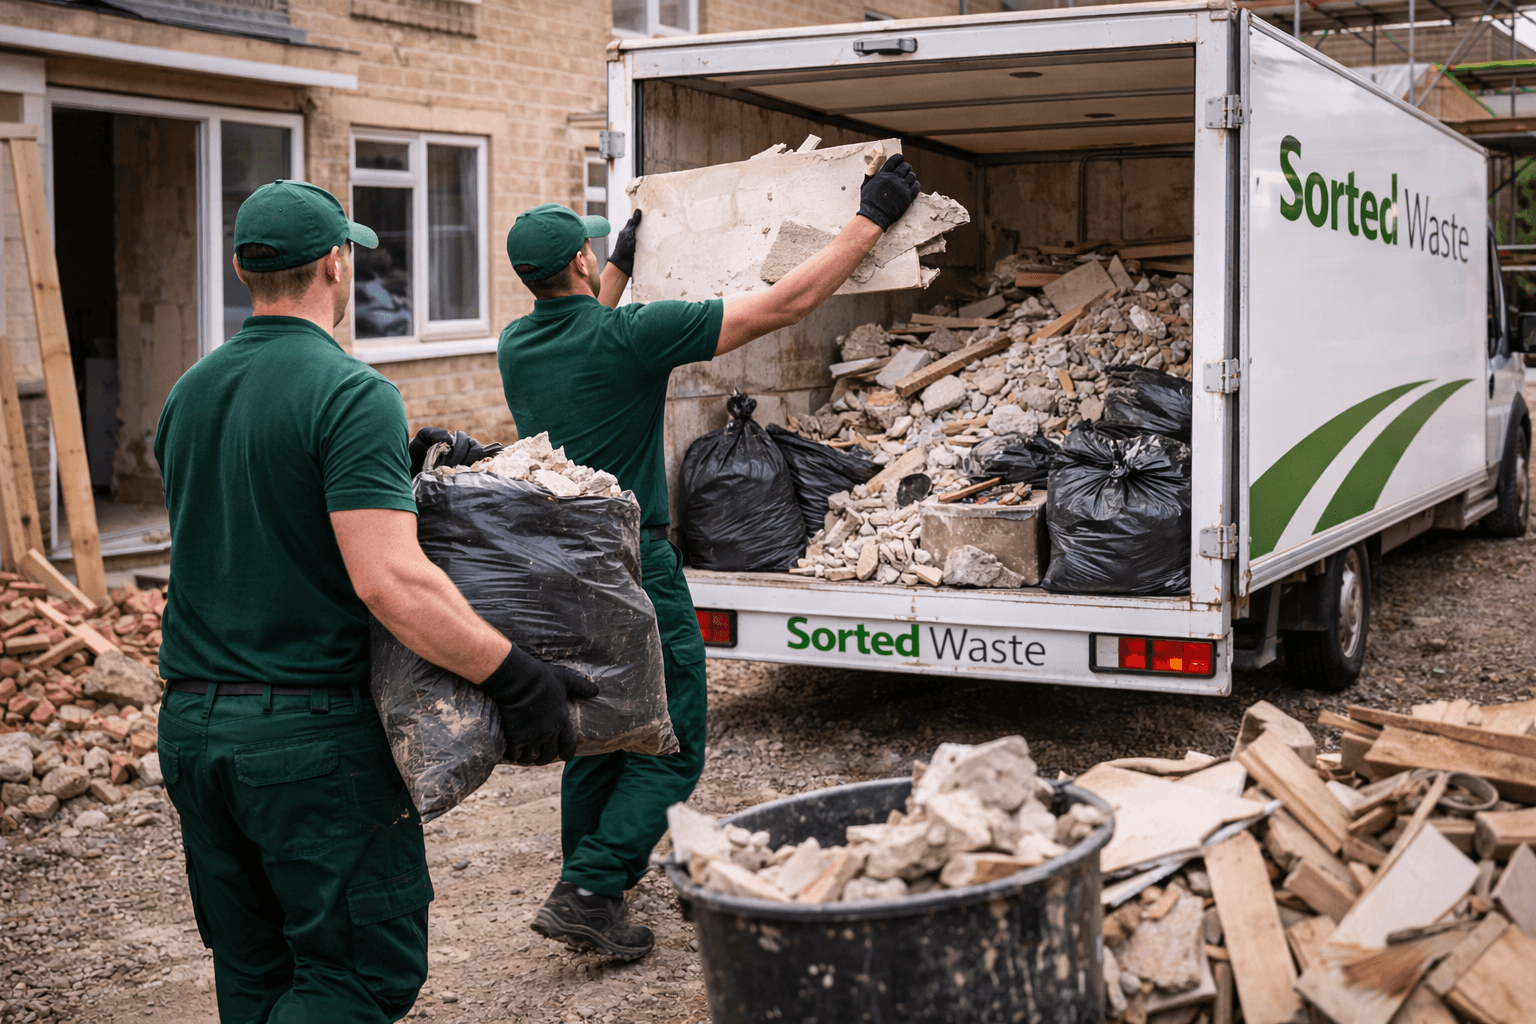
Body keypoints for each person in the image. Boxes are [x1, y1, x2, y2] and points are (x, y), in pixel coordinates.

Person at [154, 179, 597, 1023]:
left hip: (194, 731)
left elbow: (264, 516)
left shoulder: (190, 392)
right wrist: (514, 674)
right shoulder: (351, 392)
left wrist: (397, 466)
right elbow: (387, 579)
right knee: (361, 975)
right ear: (336, 263)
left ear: (246, 271)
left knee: (256, 969)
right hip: (305, 742)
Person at [497, 154, 921, 959]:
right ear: (578, 261)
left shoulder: (516, 346)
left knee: (600, 727)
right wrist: (872, 217)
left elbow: (581, 323)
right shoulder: (633, 337)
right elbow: (784, 304)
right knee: (675, 740)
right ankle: (591, 887)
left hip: (563, 572)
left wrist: (619, 265)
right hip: (634, 567)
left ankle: (588, 880)